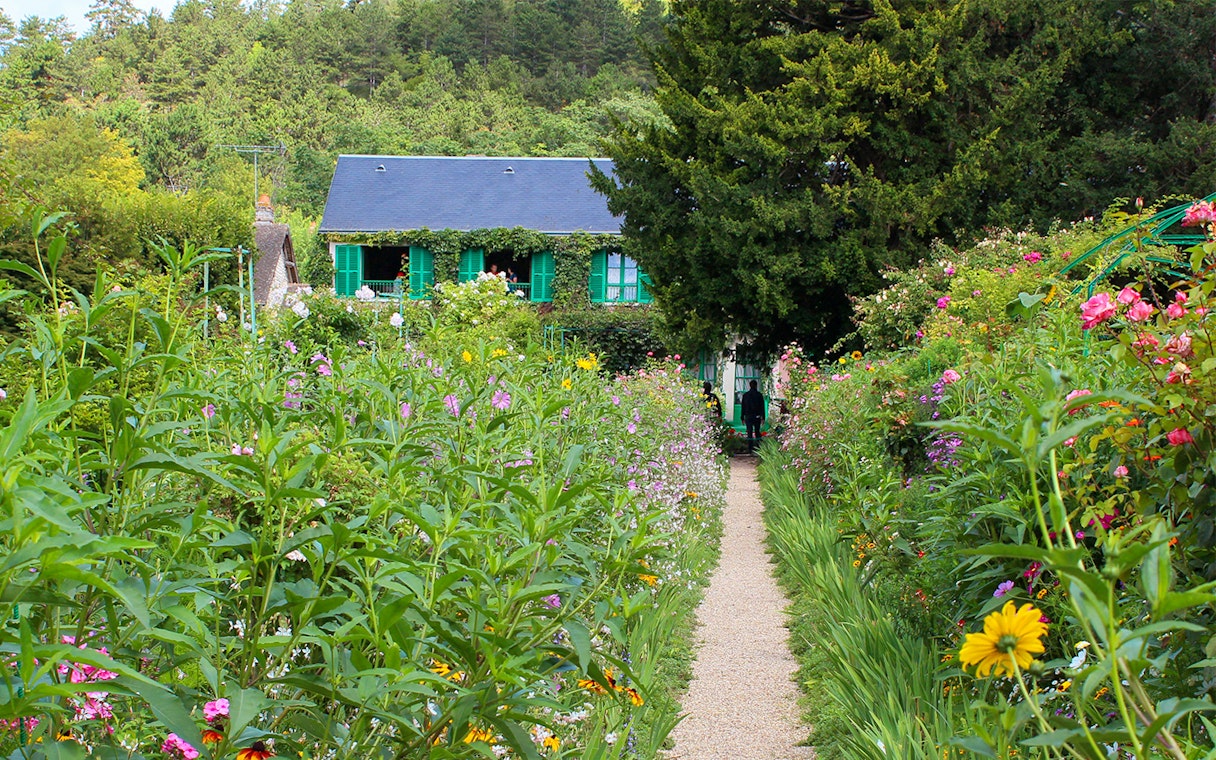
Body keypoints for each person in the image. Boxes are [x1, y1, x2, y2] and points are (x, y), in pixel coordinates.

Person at [740, 379, 765, 454]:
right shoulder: (759, 395)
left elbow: (743, 407)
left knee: (749, 432)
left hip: (748, 416)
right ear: (756, 386)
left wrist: (742, 417)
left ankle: (750, 449)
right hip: (757, 416)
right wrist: (763, 417)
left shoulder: (745, 395)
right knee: (757, 432)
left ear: (750, 386)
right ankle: (758, 448)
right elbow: (762, 407)